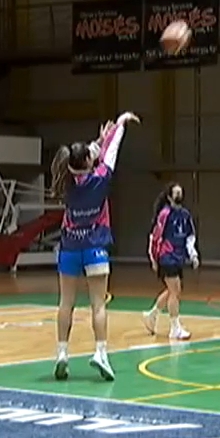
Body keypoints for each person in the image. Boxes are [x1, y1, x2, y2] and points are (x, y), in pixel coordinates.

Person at [50, 112, 140, 382]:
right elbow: (112, 151)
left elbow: (87, 155)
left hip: (69, 247)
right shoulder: (100, 178)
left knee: (66, 303)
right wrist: (120, 123)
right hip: (95, 247)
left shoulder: (65, 182)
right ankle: (100, 352)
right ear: (89, 163)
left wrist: (98, 141)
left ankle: (62, 353)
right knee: (98, 305)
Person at [143, 182, 199, 340]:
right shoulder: (165, 214)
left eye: (181, 192)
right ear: (169, 196)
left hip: (179, 257)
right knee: (175, 291)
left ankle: (152, 315)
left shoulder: (185, 215)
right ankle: (175, 328)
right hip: (166, 256)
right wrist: (153, 258)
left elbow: (190, 237)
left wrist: (193, 255)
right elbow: (154, 237)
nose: (179, 195)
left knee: (173, 290)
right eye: (176, 192)